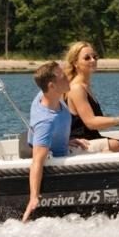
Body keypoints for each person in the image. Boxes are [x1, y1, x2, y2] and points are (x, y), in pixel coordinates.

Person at [23, 61, 87, 222]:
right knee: (112, 148)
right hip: (60, 160)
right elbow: (37, 161)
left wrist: (66, 139)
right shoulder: (46, 122)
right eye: (64, 77)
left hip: (67, 147)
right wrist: (34, 198)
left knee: (114, 145)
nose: (68, 78)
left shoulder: (46, 96)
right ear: (51, 86)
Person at [64, 41, 119, 153]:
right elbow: (91, 122)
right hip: (82, 142)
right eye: (87, 58)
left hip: (93, 137)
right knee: (116, 145)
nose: (93, 60)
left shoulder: (85, 86)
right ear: (75, 63)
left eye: (95, 57)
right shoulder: (77, 88)